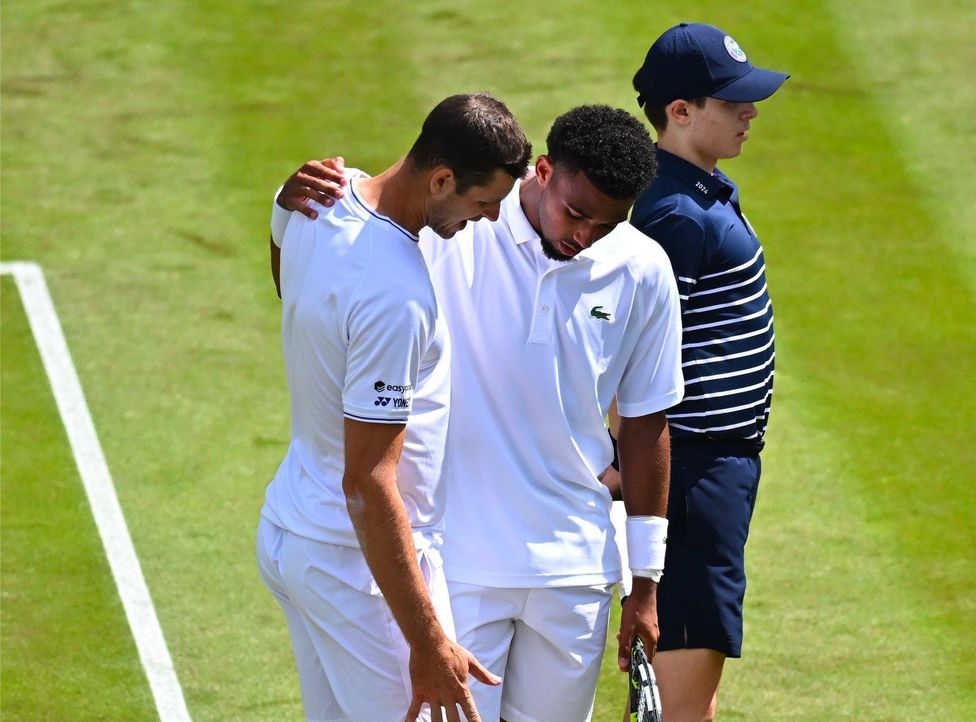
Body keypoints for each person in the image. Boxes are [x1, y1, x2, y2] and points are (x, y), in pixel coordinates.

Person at [273, 104, 685, 722]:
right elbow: (342, 256)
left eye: (605, 225)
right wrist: (288, 205)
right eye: (575, 213)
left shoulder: (645, 269)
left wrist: (646, 582)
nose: (583, 236)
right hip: (458, 564)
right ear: (542, 171)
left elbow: (649, 423)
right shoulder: (456, 224)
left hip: (574, 570)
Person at [256, 92, 532, 722]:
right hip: (353, 567)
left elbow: (286, 275)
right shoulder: (395, 294)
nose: (488, 220)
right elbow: (368, 480)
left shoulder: (314, 197)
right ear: (441, 180)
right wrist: (428, 642)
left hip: (297, 532)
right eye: (482, 203)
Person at [627, 22, 789, 722]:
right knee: (683, 697)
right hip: (692, 475)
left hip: (714, 469)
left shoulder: (702, 191)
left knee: (698, 684)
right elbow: (639, 363)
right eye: (732, 101)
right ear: (680, 112)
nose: (750, 111)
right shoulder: (674, 215)